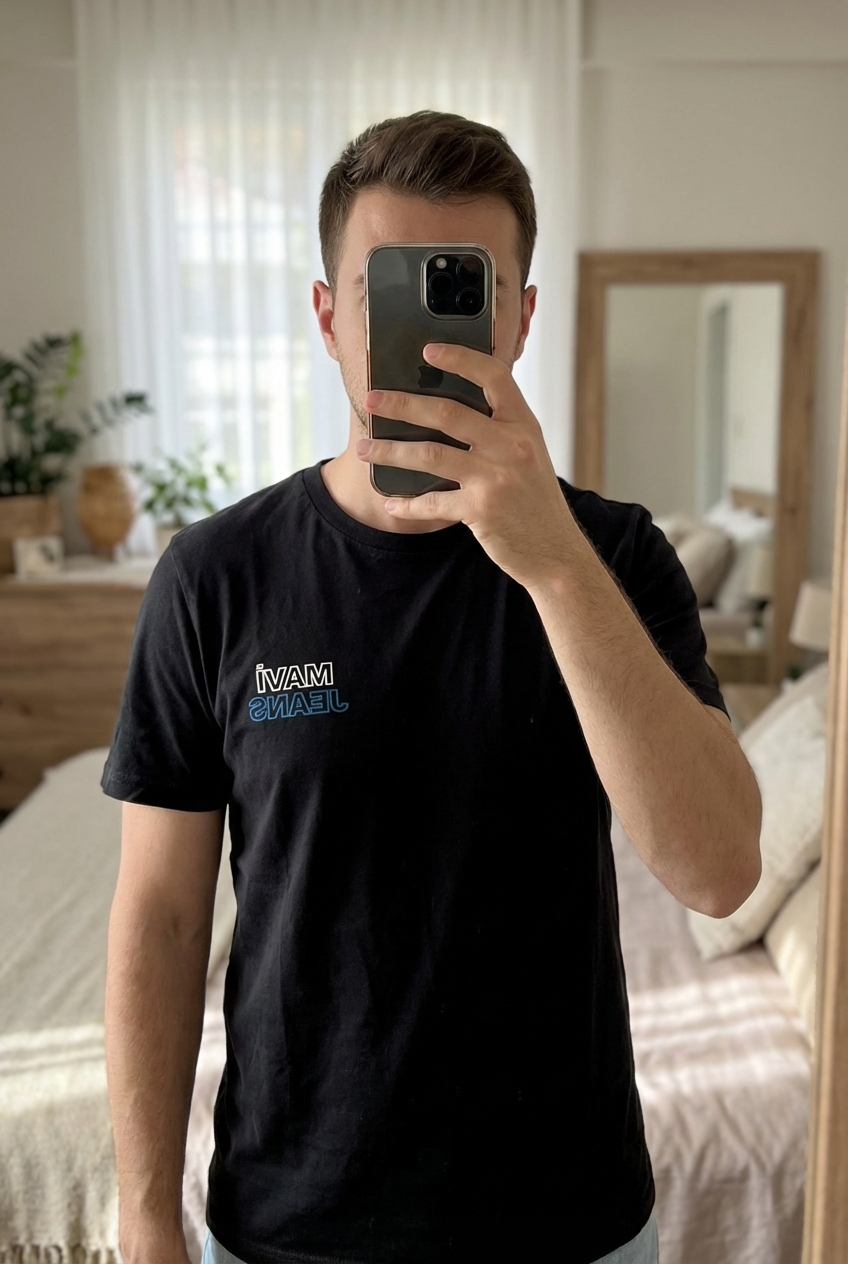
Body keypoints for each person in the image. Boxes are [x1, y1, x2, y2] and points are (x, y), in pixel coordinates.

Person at [103, 111, 762, 1264]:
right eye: (387, 292)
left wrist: (551, 563)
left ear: (518, 317)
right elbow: (159, 917)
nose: (428, 334)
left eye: (461, 292)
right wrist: (146, 1212)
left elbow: (716, 871)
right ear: (328, 318)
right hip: (288, 1221)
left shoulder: (614, 557)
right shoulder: (216, 575)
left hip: (568, 1225)